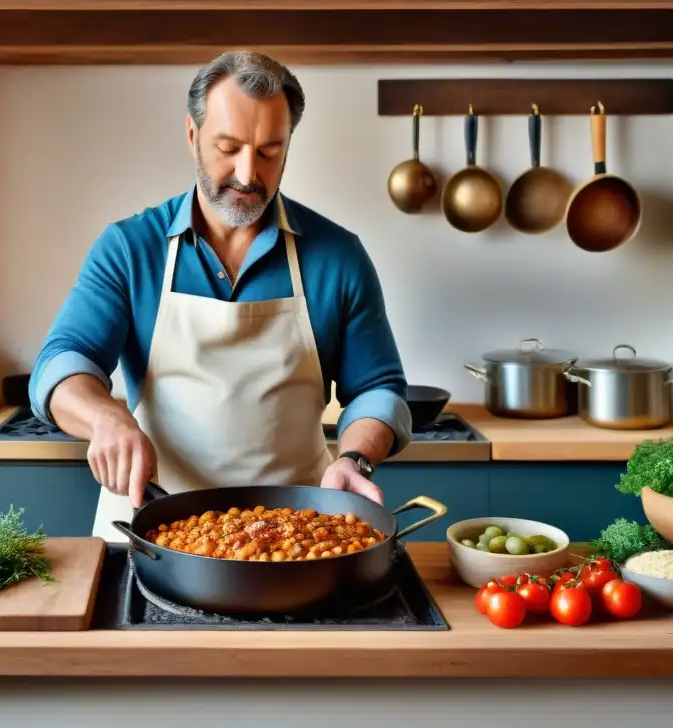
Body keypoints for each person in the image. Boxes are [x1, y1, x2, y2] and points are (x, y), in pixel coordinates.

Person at [28, 50, 412, 542]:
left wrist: (354, 457)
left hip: (296, 534)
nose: (249, 174)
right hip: (152, 530)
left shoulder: (337, 257)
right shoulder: (130, 248)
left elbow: (379, 390)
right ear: (192, 136)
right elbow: (61, 362)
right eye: (228, 147)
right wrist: (106, 418)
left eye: (269, 151)